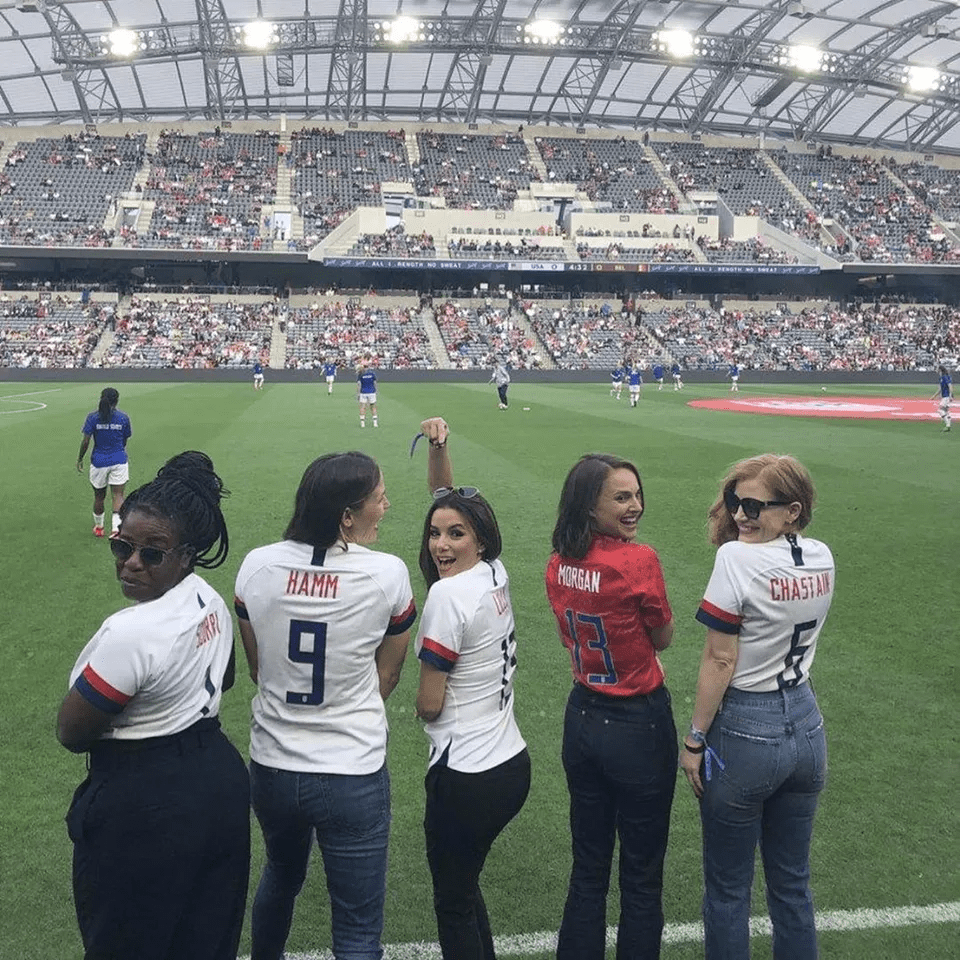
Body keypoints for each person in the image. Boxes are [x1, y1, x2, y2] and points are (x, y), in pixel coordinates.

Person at [57, 451, 251, 960]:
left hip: (145, 802)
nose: (131, 561)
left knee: (126, 943)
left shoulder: (132, 630)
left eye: (153, 552)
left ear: (187, 554)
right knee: (206, 940)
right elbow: (225, 677)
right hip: (218, 781)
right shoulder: (208, 597)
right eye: (122, 544)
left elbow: (71, 731)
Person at [235, 451, 416, 960]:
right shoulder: (387, 574)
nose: (387, 506)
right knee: (357, 931)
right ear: (346, 515)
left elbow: (258, 667)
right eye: (379, 499)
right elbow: (389, 674)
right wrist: (346, 707)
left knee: (280, 877)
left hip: (272, 764)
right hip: (350, 769)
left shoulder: (257, 564)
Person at [679, 454, 835, 960]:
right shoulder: (822, 555)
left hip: (748, 726)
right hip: (807, 726)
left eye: (753, 506)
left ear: (792, 510)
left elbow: (720, 659)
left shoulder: (735, 560)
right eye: (735, 503)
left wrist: (695, 739)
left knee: (727, 891)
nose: (741, 515)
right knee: (792, 885)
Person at [546, 454, 677, 960]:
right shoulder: (637, 559)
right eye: (621, 497)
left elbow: (566, 640)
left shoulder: (558, 562)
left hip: (582, 717)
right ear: (589, 505)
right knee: (642, 878)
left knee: (588, 869)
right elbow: (662, 637)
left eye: (636, 494)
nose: (635, 506)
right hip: (637, 721)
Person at [414, 418, 530, 960]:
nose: (441, 543)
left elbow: (429, 703)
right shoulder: (494, 572)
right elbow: (447, 498)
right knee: (464, 887)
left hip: (466, 774)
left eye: (455, 534)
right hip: (510, 762)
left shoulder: (447, 597)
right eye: (435, 532)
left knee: (452, 901)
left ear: (479, 537)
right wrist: (440, 447)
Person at [76, 386, 132, 537]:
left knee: (99, 497)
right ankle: (116, 530)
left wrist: (80, 458)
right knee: (118, 496)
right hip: (119, 460)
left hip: (99, 461)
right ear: (117, 401)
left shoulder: (93, 417)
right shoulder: (123, 418)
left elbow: (86, 441)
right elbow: (125, 439)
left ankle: (99, 528)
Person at [357, 361, 379, 427]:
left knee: (362, 407)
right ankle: (375, 423)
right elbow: (375, 383)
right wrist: (376, 390)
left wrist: (358, 394)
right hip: (372, 392)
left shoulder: (360, 374)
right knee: (373, 407)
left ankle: (362, 423)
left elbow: (359, 385)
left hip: (363, 392)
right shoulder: (372, 373)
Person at [931, 364, 953, 432]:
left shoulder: (944, 377)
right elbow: (940, 389)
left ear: (940, 370)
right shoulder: (942, 377)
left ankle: (947, 425)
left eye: (937, 368)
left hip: (946, 396)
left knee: (940, 410)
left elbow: (950, 386)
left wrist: (950, 395)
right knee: (946, 411)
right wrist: (934, 396)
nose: (936, 370)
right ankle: (948, 425)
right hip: (945, 396)